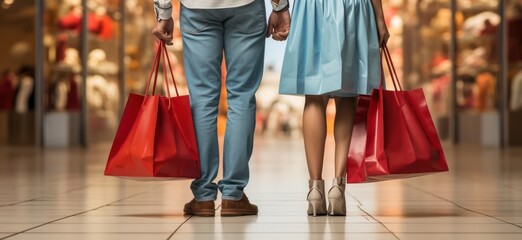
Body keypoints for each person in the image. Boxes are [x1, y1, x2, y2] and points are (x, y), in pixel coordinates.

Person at [152, 0, 290, 217]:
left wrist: (163, 11)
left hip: (197, 8)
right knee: (242, 97)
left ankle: (203, 196)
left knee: (202, 99)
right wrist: (280, 7)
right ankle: (233, 195)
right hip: (246, 6)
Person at [279, 0, 389, 216]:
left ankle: (314, 190)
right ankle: (338, 187)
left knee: (314, 98)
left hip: (311, 9)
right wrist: (379, 18)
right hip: (353, 8)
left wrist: (279, 8)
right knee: (348, 96)